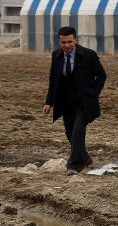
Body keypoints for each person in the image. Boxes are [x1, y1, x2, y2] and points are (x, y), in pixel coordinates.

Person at [43, 26, 106, 174]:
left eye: (70, 42)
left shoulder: (88, 55)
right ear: (59, 41)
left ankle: (73, 166)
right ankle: (84, 157)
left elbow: (102, 75)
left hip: (84, 102)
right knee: (70, 133)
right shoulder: (56, 55)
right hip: (65, 102)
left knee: (78, 130)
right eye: (63, 42)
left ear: (75, 40)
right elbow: (53, 80)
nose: (67, 45)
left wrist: (93, 93)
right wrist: (49, 102)